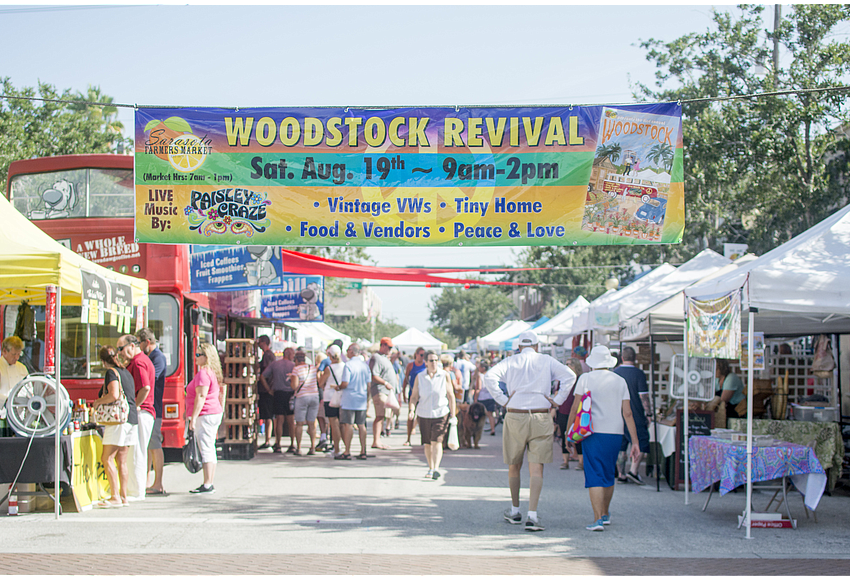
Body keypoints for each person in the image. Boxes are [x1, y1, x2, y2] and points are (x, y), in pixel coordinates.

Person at [484, 330, 577, 532]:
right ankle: (532, 515)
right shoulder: (546, 360)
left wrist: (502, 400)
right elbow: (570, 376)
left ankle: (515, 510)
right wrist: (558, 400)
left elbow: (489, 377)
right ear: (537, 346)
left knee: (513, 465)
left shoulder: (511, 361)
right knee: (537, 468)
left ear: (519, 347)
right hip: (541, 414)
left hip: (515, 413)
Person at [566, 345, 640, 532]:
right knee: (608, 474)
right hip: (615, 432)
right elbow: (628, 413)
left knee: (594, 475)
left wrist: (569, 431)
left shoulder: (585, 378)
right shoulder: (620, 381)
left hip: (592, 432)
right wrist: (635, 441)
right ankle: (605, 514)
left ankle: (597, 519)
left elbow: (575, 407)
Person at [92, 346, 137, 508]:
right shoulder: (126, 372)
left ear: (103, 361)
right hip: (131, 419)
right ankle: (124, 497)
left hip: (118, 421)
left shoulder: (111, 372)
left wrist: (98, 402)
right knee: (122, 461)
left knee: (107, 458)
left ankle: (114, 496)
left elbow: (114, 394)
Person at [116, 334, 155, 501]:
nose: (120, 353)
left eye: (121, 348)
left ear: (132, 346)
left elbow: (145, 387)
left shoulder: (138, 362)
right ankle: (137, 489)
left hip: (142, 412)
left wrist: (136, 405)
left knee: (136, 452)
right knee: (137, 451)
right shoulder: (141, 360)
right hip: (144, 412)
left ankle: (136, 491)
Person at [408, 351, 457, 480]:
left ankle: (436, 468)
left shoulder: (444, 375)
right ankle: (430, 466)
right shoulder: (420, 376)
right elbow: (414, 396)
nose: (434, 363)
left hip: (441, 412)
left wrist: (453, 414)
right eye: (431, 360)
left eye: (436, 360)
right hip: (424, 413)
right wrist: (411, 410)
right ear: (426, 363)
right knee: (427, 443)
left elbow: (451, 395)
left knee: (437, 441)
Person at [186, 342, 225, 493]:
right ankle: (209, 482)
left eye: (198, 355)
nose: (195, 358)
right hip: (213, 412)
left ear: (206, 357)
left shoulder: (203, 373)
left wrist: (193, 417)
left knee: (206, 448)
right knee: (209, 446)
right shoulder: (212, 372)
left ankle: (208, 483)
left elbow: (201, 396)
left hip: (205, 414)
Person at [613, 346, 651, 485]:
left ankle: (621, 474)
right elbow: (643, 396)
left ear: (622, 358)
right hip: (635, 413)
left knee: (621, 445)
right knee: (641, 441)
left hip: (618, 413)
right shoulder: (639, 374)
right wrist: (649, 413)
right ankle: (633, 471)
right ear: (635, 358)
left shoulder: (614, 373)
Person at [136, 328, 167, 495]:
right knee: (149, 446)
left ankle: (158, 483)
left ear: (147, 342)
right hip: (151, 408)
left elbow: (149, 380)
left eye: (139, 343)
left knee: (154, 445)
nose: (139, 348)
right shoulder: (151, 357)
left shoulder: (158, 358)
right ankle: (147, 480)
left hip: (154, 407)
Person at [337, 343, 371, 460]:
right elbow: (369, 383)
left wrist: (339, 387)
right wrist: (367, 398)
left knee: (348, 425)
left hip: (349, 399)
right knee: (361, 425)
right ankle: (363, 450)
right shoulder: (364, 366)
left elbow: (345, 383)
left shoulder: (348, 365)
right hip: (361, 398)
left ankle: (347, 451)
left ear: (352, 351)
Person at [260, 347, 296, 453]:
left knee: (279, 420)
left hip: (278, 393)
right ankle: (292, 444)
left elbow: (262, 376)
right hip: (290, 393)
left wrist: (268, 389)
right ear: (289, 354)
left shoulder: (275, 364)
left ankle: (278, 444)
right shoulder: (293, 366)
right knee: (290, 420)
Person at [369, 337, 398, 450]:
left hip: (386, 392)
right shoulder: (376, 358)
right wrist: (385, 383)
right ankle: (376, 441)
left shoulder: (384, 358)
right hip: (380, 391)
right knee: (380, 416)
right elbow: (374, 375)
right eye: (389, 347)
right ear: (383, 346)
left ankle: (378, 440)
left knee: (384, 416)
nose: (390, 350)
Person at [289, 351, 320, 455]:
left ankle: (298, 448)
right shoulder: (313, 368)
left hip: (302, 396)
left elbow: (294, 386)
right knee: (312, 423)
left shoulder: (296, 369)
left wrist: (291, 379)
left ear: (296, 360)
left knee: (299, 423)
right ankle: (312, 447)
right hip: (314, 396)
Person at [558, 358, 586, 470]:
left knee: (578, 436)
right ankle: (565, 461)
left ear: (576, 366)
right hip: (563, 410)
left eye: (570, 364)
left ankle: (581, 462)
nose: (568, 366)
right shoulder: (563, 379)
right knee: (564, 434)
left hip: (577, 411)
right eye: (566, 364)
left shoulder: (581, 379)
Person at [318, 344, 345, 457]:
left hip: (330, 397)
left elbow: (320, 383)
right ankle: (345, 447)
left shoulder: (329, 369)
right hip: (342, 396)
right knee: (343, 423)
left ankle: (337, 448)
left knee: (334, 424)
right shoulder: (345, 366)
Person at [1, 337, 28, 435]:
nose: (16, 357)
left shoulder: (22, 368)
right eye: (13, 354)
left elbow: (28, 389)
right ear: (4, 351)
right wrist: (7, 400)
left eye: (18, 354)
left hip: (20, 416)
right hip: (3, 415)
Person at [255, 335, 277, 450]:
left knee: (268, 415)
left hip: (266, 390)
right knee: (267, 415)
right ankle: (268, 439)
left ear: (263, 343)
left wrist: (268, 388)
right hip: (268, 389)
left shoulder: (267, 355)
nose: (258, 345)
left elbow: (265, 374)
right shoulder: (269, 355)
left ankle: (268, 440)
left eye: (259, 342)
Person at [402, 347, 427, 446]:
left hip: (424, 395)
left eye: (424, 355)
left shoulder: (426, 365)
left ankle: (424, 439)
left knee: (423, 418)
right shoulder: (410, 365)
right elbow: (406, 379)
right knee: (410, 416)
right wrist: (403, 392)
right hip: (413, 393)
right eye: (421, 355)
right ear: (416, 354)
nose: (422, 357)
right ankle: (408, 438)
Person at [472, 359, 497, 437]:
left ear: (483, 368)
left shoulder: (480, 376)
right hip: (490, 396)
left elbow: (478, 388)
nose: (478, 368)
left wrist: (475, 398)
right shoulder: (491, 375)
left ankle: (478, 429)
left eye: (479, 367)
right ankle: (493, 429)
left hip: (482, 397)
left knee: (479, 415)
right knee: (490, 414)